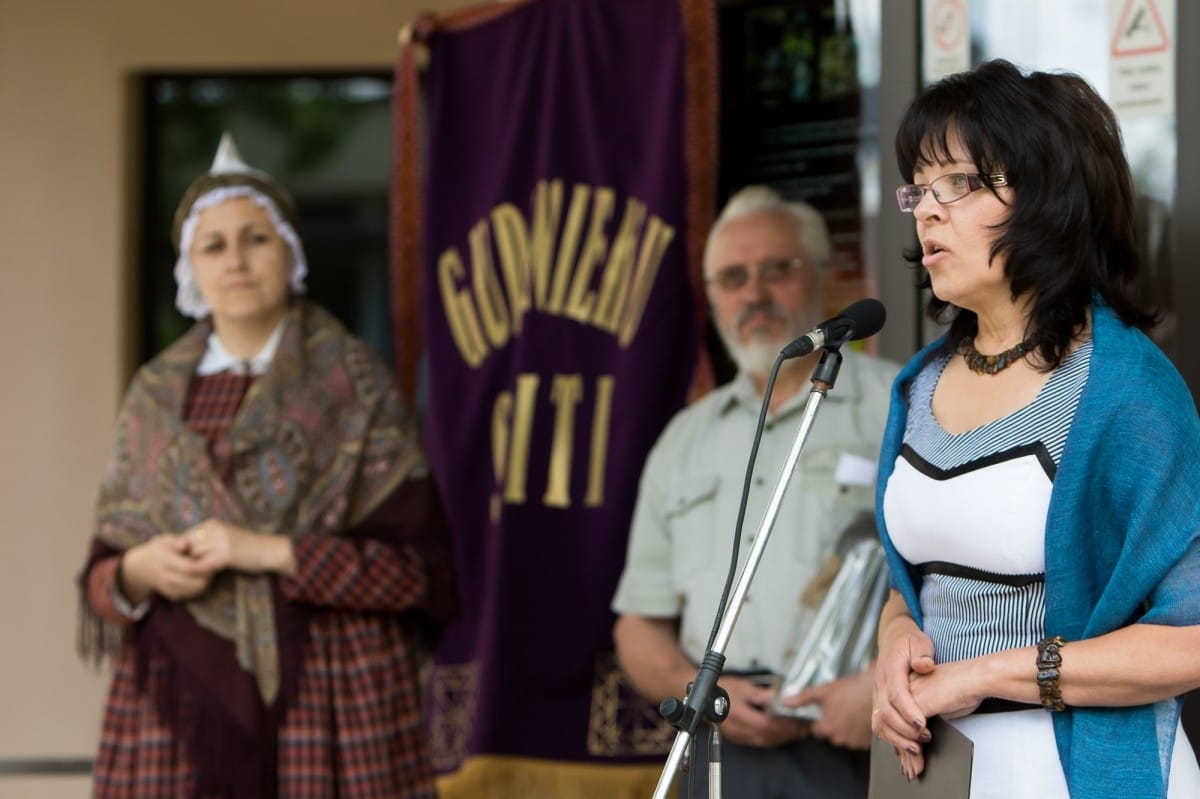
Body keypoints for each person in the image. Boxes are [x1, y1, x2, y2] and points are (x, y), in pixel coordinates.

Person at [76, 132, 458, 799]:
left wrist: (273, 551)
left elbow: (418, 574)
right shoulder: (154, 393)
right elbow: (102, 578)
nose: (237, 261)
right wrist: (143, 568)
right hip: (176, 706)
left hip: (336, 697)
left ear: (291, 250)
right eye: (214, 245)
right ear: (191, 266)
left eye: (256, 238)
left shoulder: (353, 381)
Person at [871, 58, 1200, 798]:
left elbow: (1192, 639)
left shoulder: (1124, 392)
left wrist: (987, 673)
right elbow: (915, 575)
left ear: (1046, 196)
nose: (927, 209)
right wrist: (897, 635)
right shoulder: (918, 384)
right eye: (918, 188)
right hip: (934, 773)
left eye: (957, 181)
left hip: (1075, 771)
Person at [611, 185, 900, 797]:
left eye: (778, 270)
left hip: (862, 733)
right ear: (711, 296)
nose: (755, 294)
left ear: (824, 277)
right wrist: (692, 686)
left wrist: (879, 685)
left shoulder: (904, 405)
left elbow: (964, 590)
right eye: (733, 277)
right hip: (718, 744)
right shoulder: (684, 438)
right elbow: (639, 621)